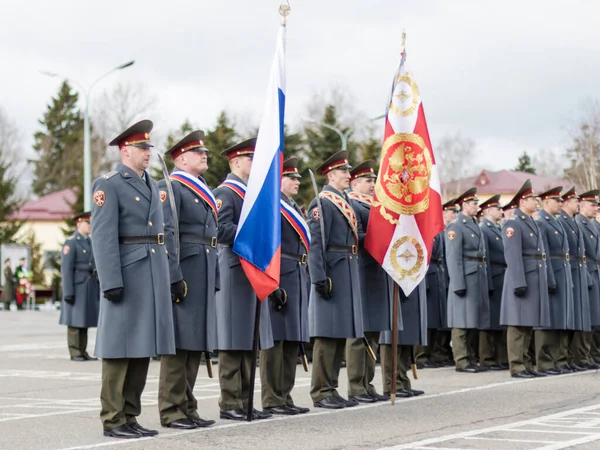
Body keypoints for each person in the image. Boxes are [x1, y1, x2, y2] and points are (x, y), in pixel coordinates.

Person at [91, 119, 176, 439]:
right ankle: (113, 418)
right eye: (143, 148)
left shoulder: (151, 183)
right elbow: (102, 236)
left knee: (141, 347)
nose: (148, 152)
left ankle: (130, 414)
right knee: (118, 349)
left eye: (149, 147)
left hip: (151, 270)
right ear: (126, 151)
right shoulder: (109, 184)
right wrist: (110, 279)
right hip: (126, 272)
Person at [157, 131, 217, 429]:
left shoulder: (202, 187)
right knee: (180, 343)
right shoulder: (172, 188)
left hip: (203, 269)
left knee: (195, 343)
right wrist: (173, 275)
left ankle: (187, 405)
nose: (205, 155)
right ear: (180, 159)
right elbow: (167, 234)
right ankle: (171, 409)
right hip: (186, 270)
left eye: (205, 152)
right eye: (197, 152)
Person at [213, 138, 273, 421]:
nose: (254, 164)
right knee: (232, 339)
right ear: (236, 162)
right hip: (234, 270)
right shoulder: (227, 192)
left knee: (249, 338)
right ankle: (230, 402)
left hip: (251, 271)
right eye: (250, 159)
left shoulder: (250, 192)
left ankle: (246, 400)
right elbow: (221, 230)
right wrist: (250, 229)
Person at [307, 150, 364, 409]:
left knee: (340, 333)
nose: (348, 175)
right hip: (332, 270)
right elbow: (316, 243)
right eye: (343, 172)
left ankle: (332, 387)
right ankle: (321, 391)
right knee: (326, 335)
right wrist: (319, 277)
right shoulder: (323, 203)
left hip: (346, 270)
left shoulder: (344, 201)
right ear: (331, 175)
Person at [260, 157, 311, 415]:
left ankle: (285, 395)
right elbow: (268, 246)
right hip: (280, 272)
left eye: (298, 178)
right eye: (291, 178)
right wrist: (272, 283)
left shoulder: (293, 207)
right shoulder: (273, 206)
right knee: (276, 340)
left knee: (293, 339)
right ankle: (271, 397)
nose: (296, 182)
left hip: (298, 273)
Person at [346, 160, 392, 403]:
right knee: (360, 333)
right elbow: (358, 234)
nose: (373, 185)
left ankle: (367, 383)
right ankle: (356, 385)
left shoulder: (374, 205)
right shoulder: (353, 204)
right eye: (368, 181)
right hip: (363, 270)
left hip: (377, 271)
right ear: (355, 183)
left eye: (374, 181)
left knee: (373, 331)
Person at [500, 179, 551, 378]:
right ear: (522, 201)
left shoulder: (532, 223)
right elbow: (512, 254)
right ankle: (517, 365)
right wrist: (518, 281)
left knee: (528, 323)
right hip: (521, 278)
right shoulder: (513, 223)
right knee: (517, 324)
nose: (536, 202)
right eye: (532, 199)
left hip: (533, 277)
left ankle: (527, 364)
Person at [445, 188, 491, 373]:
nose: (477, 206)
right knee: (461, 322)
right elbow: (453, 257)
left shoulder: (473, 225)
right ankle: (461, 360)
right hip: (465, 276)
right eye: (474, 203)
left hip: (477, 274)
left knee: (473, 320)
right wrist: (457, 283)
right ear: (464, 205)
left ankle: (470, 357)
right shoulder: (456, 226)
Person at [535, 187, 575, 375]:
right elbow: (544, 254)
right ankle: (545, 362)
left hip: (562, 272)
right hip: (552, 273)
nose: (561, 203)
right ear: (546, 202)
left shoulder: (556, 222)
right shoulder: (542, 222)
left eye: (561, 200)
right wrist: (549, 278)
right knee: (548, 321)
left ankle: (558, 360)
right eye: (556, 200)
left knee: (560, 318)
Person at [420, 198, 458, 367]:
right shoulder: (428, 229)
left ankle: (436, 353)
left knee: (439, 318)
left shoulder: (442, 231)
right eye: (452, 211)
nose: (454, 215)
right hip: (430, 273)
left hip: (440, 274)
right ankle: (421, 355)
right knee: (429, 319)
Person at [59, 212, 100, 361]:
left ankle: (82, 350)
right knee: (75, 321)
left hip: (88, 285)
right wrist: (68, 291)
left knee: (84, 320)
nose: (89, 226)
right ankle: (75, 351)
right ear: (79, 224)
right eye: (87, 223)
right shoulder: (72, 242)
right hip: (76, 286)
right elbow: (66, 269)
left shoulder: (89, 242)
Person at [557, 187, 590, 372]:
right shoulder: (562, 221)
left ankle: (572, 357)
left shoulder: (573, 222)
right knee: (568, 316)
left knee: (577, 316)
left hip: (577, 270)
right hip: (568, 269)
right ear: (568, 203)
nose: (579, 204)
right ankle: (566, 357)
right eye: (576, 201)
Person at [380, 280, 427, 398]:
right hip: (397, 277)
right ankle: (392, 383)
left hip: (411, 277)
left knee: (407, 333)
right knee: (391, 336)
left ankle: (402, 379)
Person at [478, 195, 509, 370]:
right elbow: (486, 258)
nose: (501, 211)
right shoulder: (485, 229)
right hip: (493, 275)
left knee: (500, 319)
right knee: (489, 321)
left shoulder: (497, 228)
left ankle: (500, 357)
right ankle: (487, 358)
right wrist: (488, 282)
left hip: (501, 276)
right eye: (498, 208)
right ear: (488, 210)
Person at [574, 190, 600, 369]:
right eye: (592, 205)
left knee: (595, 315)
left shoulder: (591, 224)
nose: (595, 208)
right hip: (587, 270)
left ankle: (592, 354)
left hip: (594, 269)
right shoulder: (579, 224)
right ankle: (583, 355)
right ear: (582, 206)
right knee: (588, 315)